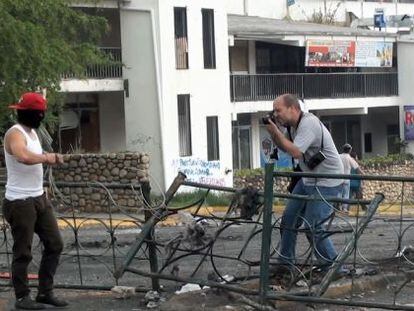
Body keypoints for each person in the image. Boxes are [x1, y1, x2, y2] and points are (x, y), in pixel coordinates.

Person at [2, 92, 68, 310]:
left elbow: (35, 154)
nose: (19, 113)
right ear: (37, 114)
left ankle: (44, 292)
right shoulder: (15, 133)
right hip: (20, 202)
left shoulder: (33, 133)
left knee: (55, 244)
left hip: (38, 197)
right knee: (23, 252)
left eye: (21, 110)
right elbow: (23, 156)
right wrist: (47, 158)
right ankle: (22, 298)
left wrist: (50, 155)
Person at [265, 94, 344, 273]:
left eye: (279, 110)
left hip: (327, 180)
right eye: (274, 111)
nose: (276, 114)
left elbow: (295, 152)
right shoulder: (293, 128)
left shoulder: (308, 123)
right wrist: (274, 132)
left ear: (293, 109)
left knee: (313, 226)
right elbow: (284, 146)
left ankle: (333, 268)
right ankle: (285, 264)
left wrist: (276, 132)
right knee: (288, 220)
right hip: (309, 178)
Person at [339, 144, 363, 212]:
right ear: (350, 150)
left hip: (338, 179)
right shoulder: (349, 158)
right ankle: (344, 208)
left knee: (339, 193)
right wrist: (364, 174)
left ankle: (337, 207)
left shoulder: (339, 156)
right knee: (346, 194)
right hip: (346, 179)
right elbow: (357, 168)